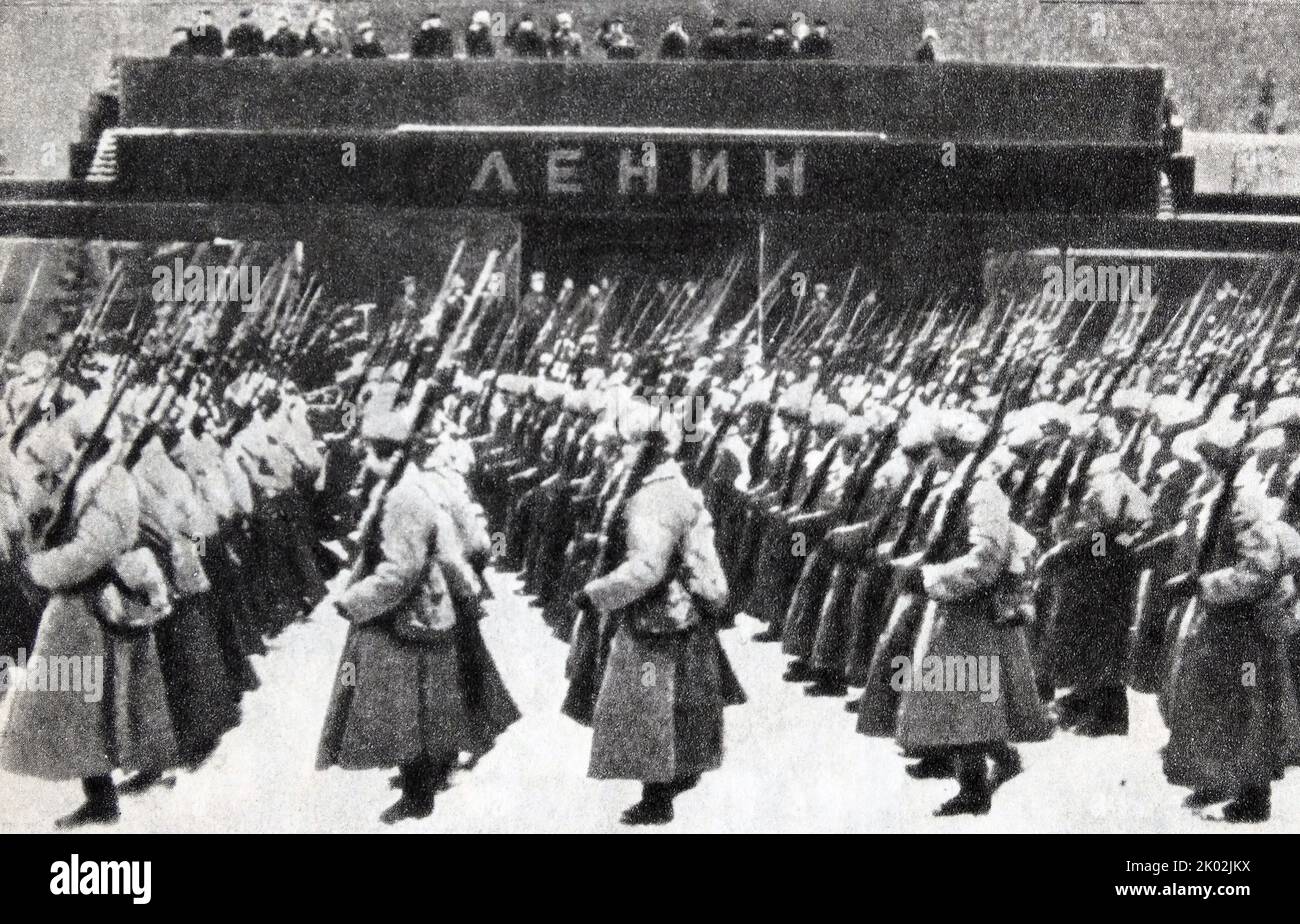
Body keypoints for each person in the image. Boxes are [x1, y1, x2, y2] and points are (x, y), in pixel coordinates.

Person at [317, 407, 519, 824]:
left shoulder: (404, 497)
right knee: (423, 704)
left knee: (407, 707)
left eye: (369, 451)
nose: (362, 458)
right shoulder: (408, 488)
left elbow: (401, 571)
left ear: (388, 454)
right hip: (421, 609)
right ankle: (422, 778)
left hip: (409, 613)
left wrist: (354, 601)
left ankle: (418, 793)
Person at [572, 404, 743, 825]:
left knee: (651, 703)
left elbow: (647, 568)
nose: (620, 454)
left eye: (626, 446)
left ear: (646, 447)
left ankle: (657, 796)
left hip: (656, 617)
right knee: (678, 702)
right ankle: (676, 776)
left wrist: (596, 594)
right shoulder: (671, 487)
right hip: (683, 614)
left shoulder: (654, 497)